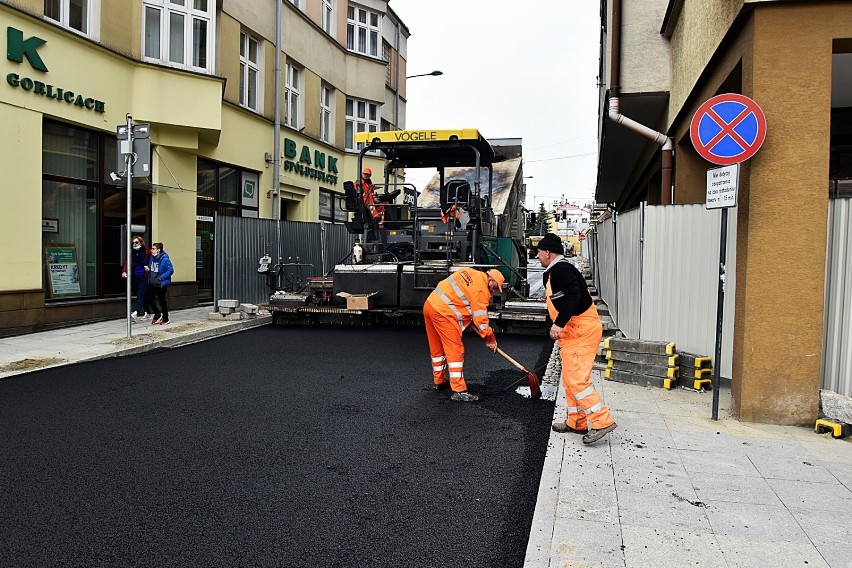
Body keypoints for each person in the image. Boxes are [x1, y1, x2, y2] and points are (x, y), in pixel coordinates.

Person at [536, 233, 617, 444]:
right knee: (569, 378)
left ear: (547, 252)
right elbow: (564, 295)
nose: (536, 256)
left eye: (538, 252)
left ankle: (602, 421)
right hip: (573, 332)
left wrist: (559, 323)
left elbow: (574, 296)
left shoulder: (561, 269)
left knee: (577, 379)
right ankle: (577, 421)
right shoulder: (556, 271)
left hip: (581, 330)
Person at [423, 268, 504, 402]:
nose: (494, 291)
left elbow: (461, 294)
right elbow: (481, 321)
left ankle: (440, 381)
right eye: (495, 287)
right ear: (490, 280)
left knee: (437, 348)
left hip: (430, 305)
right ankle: (458, 390)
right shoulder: (481, 291)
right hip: (444, 313)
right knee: (455, 349)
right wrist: (490, 339)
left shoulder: (470, 272)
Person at [121, 236, 152, 323]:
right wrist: (124, 271)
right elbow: (128, 263)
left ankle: (135, 313)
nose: (134, 244)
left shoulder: (147, 252)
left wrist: (149, 267)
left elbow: (154, 260)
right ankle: (149, 312)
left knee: (140, 295)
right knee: (143, 296)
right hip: (135, 276)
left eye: (136, 242)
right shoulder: (131, 253)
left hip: (144, 276)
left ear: (141, 243)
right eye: (133, 243)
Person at [146, 242, 174, 326]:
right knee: (149, 299)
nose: (152, 250)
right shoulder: (152, 258)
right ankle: (157, 314)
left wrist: (161, 278)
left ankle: (166, 319)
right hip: (152, 283)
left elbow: (170, 270)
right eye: (152, 248)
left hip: (161, 284)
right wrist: (148, 269)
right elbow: (152, 268)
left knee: (162, 302)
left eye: (153, 249)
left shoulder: (165, 259)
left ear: (158, 250)